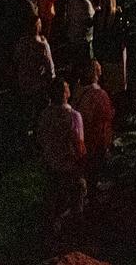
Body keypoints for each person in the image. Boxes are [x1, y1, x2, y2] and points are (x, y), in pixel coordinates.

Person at [37, 77, 86, 237]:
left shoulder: (44, 115)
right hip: (69, 166)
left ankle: (54, 223)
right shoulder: (73, 116)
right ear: (65, 94)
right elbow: (79, 145)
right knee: (78, 190)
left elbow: (41, 138)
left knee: (56, 194)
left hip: (52, 163)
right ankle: (76, 223)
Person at [75, 61, 116, 189]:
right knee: (96, 161)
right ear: (97, 73)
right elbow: (104, 117)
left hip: (81, 133)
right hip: (94, 135)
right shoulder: (99, 94)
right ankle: (95, 185)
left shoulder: (78, 91)